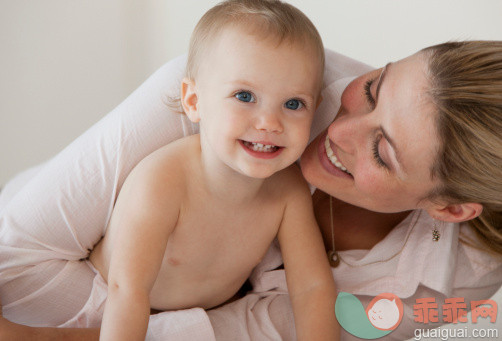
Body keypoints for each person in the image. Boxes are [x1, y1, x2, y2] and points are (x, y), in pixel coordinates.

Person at [0, 36, 501, 340]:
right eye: (372, 90)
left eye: (381, 151)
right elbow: (14, 268)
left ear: (451, 208)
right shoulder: (233, 87)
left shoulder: (461, 280)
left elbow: (253, 331)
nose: (337, 135)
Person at [88, 1, 337, 340]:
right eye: (244, 95)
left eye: (293, 104)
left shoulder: (288, 190)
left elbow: (311, 286)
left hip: (208, 313)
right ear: (193, 101)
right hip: (107, 302)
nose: (269, 123)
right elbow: (127, 289)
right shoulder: (163, 181)